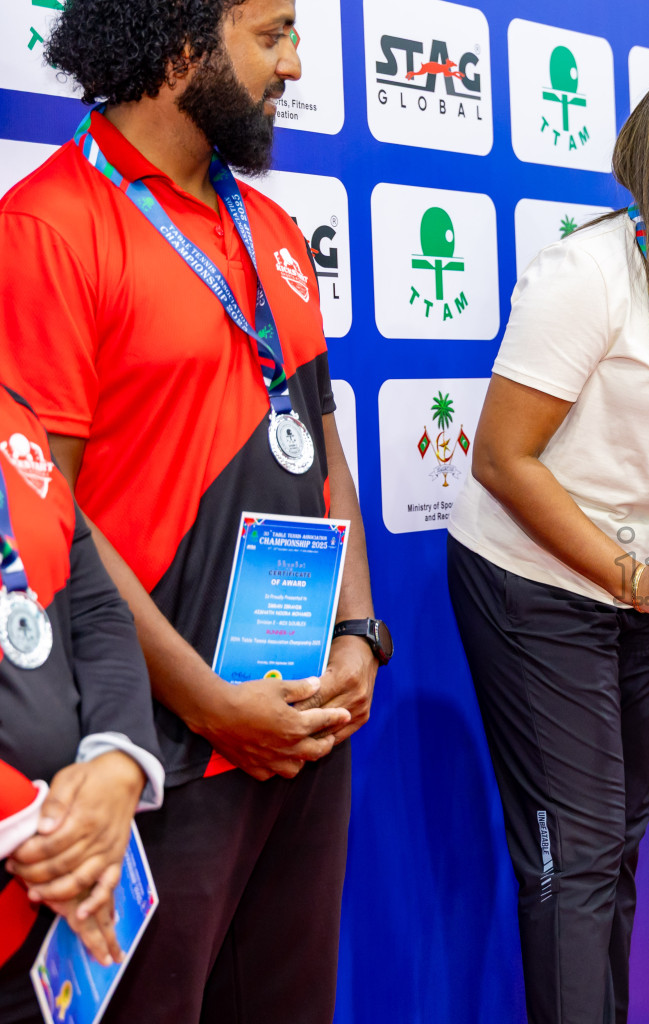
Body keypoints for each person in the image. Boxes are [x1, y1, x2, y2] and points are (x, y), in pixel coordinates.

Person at [0, 2, 386, 1021]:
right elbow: (49, 524)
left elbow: (320, 437)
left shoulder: (270, 227)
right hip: (162, 752)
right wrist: (210, 701)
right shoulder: (48, 227)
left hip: (301, 722)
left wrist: (357, 628)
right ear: (180, 49)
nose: (295, 64)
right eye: (273, 34)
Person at [445, 64, 649, 1024]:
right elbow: (503, 460)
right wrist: (632, 572)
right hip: (539, 583)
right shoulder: (586, 273)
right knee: (576, 856)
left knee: (615, 843)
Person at [0, 385, 164, 1023]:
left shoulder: (15, 414)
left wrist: (118, 757)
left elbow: (93, 604)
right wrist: (41, 830)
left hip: (49, 922)